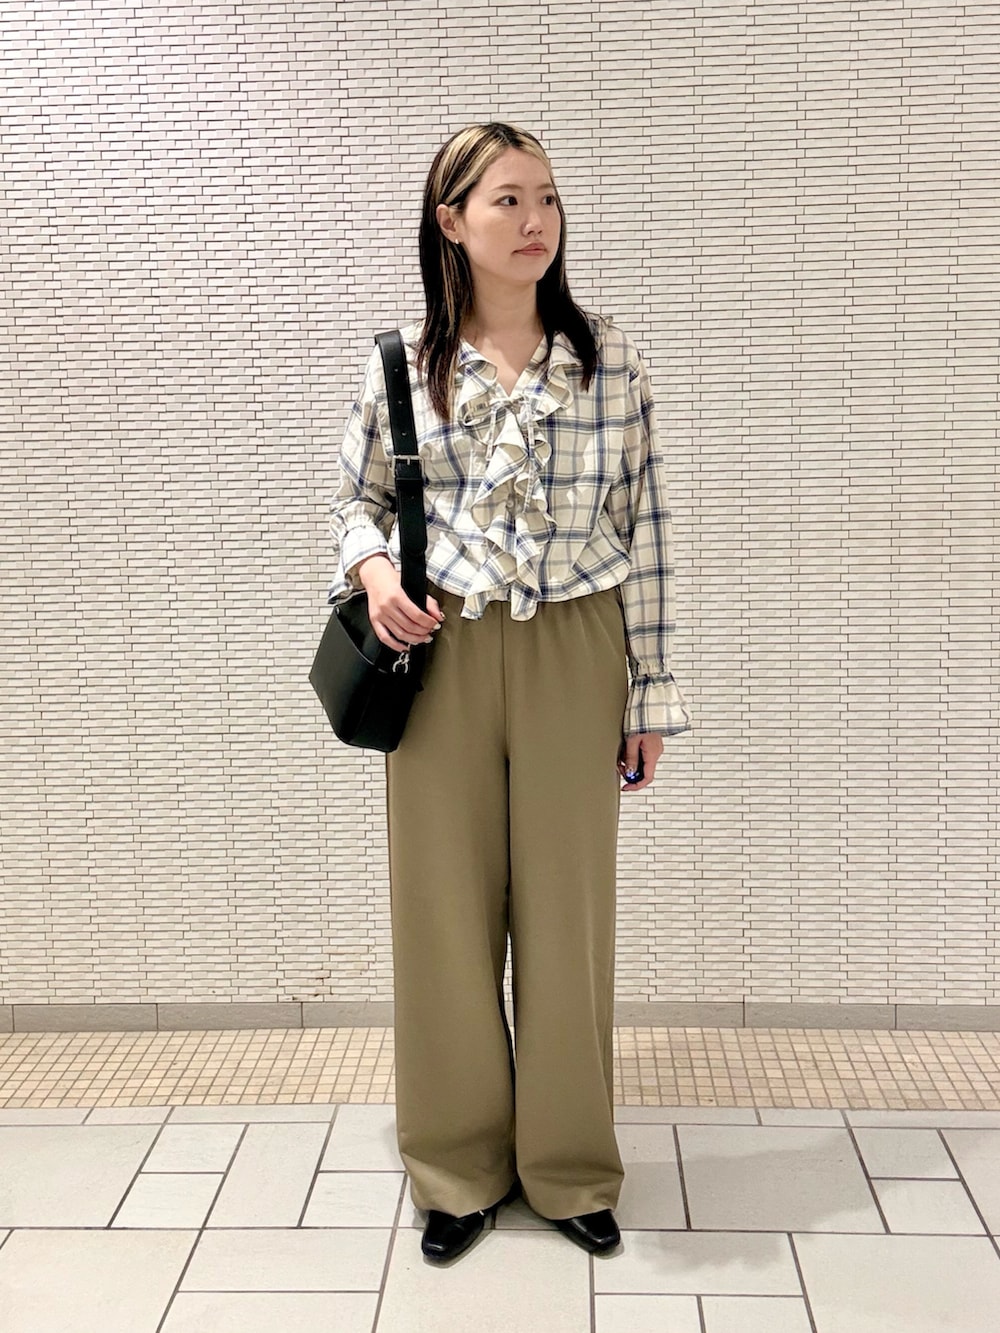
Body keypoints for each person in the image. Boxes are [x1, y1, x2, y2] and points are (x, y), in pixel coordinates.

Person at [326, 122, 692, 1263]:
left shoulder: (608, 361)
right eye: (507, 200)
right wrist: (375, 572)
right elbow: (355, 505)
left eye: (547, 198)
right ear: (451, 222)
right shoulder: (402, 364)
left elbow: (644, 527)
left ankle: (570, 1166)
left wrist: (649, 690)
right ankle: (456, 1168)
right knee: (441, 913)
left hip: (576, 648)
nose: (536, 221)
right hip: (440, 654)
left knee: (568, 915)